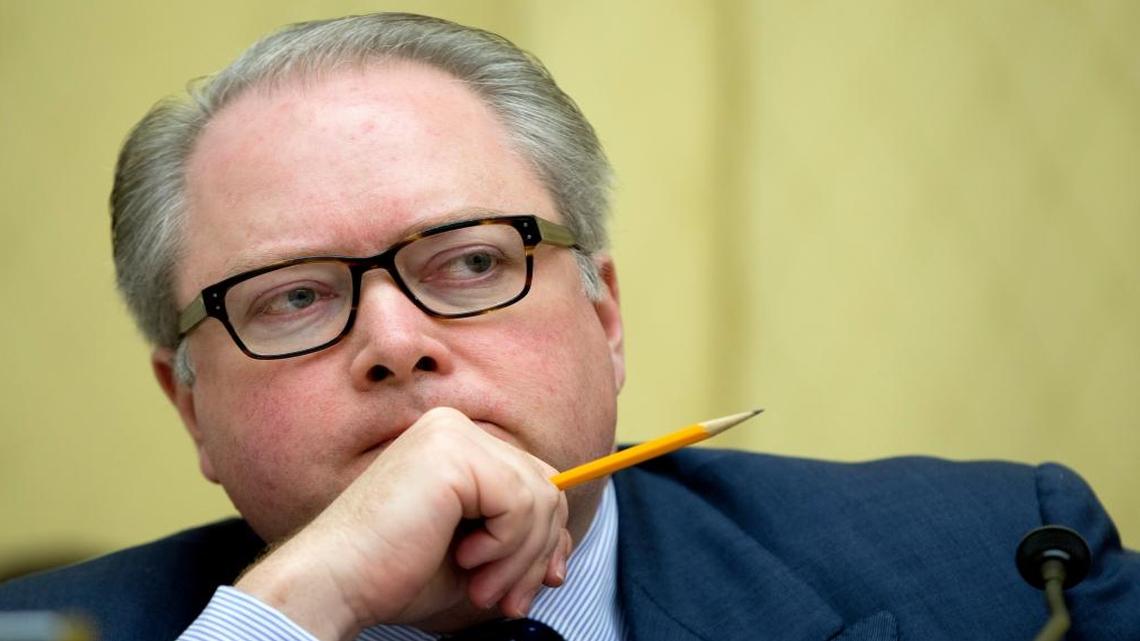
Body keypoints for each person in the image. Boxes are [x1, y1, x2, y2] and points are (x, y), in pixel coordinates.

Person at [1, 12, 1137, 641]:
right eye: (294, 296)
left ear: (607, 314)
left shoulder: (1009, 561)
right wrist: (296, 611)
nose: (395, 340)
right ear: (189, 404)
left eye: (474, 260)